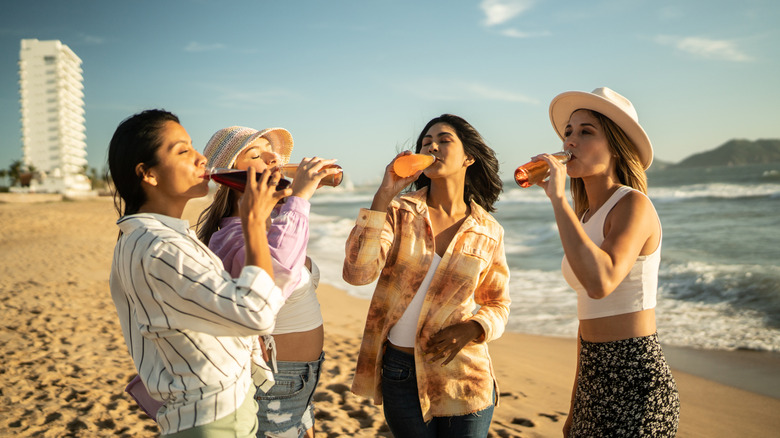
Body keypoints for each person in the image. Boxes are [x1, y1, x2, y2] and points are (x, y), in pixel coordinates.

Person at [108, 110, 293, 437]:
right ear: (148, 174)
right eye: (182, 151)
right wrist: (253, 221)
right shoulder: (160, 247)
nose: (201, 158)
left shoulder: (150, 237)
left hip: (206, 409)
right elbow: (256, 313)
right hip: (213, 416)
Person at [343, 114, 510, 437]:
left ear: (469, 157)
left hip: (464, 374)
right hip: (400, 373)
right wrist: (383, 194)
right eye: (425, 142)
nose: (432, 145)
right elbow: (358, 274)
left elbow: (498, 304)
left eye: (444, 140)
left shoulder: (488, 230)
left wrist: (475, 327)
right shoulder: (398, 212)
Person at [536, 87, 679, 437]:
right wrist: (575, 406)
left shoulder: (634, 205)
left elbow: (602, 283)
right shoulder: (584, 217)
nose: (570, 142)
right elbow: (587, 324)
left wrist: (557, 201)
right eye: (568, 132)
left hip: (636, 379)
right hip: (593, 380)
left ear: (615, 146)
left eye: (586, 132)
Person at [197, 126, 339, 438]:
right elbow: (280, 272)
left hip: (301, 379)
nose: (274, 159)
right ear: (229, 176)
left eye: (272, 153)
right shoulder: (234, 235)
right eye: (257, 155)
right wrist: (300, 196)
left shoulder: (267, 228)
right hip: (275, 380)